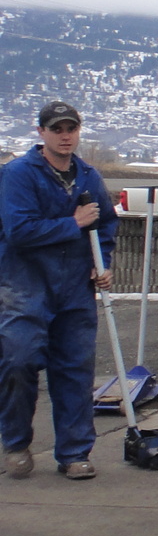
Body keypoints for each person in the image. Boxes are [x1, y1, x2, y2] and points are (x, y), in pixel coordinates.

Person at [0, 101, 119, 480]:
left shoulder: (88, 176)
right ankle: (16, 444)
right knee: (18, 363)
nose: (65, 135)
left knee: (74, 371)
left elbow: (105, 225)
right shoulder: (18, 175)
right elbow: (19, 231)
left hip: (75, 288)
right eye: (57, 129)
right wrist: (73, 224)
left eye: (71, 128)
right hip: (25, 284)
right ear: (42, 133)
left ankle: (73, 453)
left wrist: (102, 265)